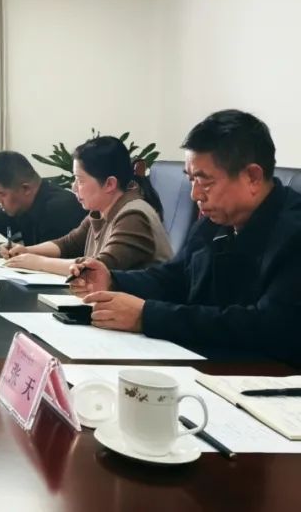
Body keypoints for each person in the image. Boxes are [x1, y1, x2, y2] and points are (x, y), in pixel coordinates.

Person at [70, 110, 301, 366]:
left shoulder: (293, 233)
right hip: (204, 362)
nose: (195, 195)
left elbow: (269, 327)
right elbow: (175, 277)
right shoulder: (213, 224)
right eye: (191, 180)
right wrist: (113, 279)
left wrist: (148, 317)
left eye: (205, 181)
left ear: (252, 177)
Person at [3, 137, 173, 274]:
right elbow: (68, 244)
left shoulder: (134, 216)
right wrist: (26, 251)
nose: (74, 187)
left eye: (80, 180)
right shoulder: (102, 210)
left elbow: (98, 268)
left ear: (109, 184)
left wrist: (39, 263)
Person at [0, 151, 86, 247]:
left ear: (25, 189)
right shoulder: (26, 204)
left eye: (2, 194)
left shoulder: (60, 209)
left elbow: (50, 258)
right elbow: (5, 217)